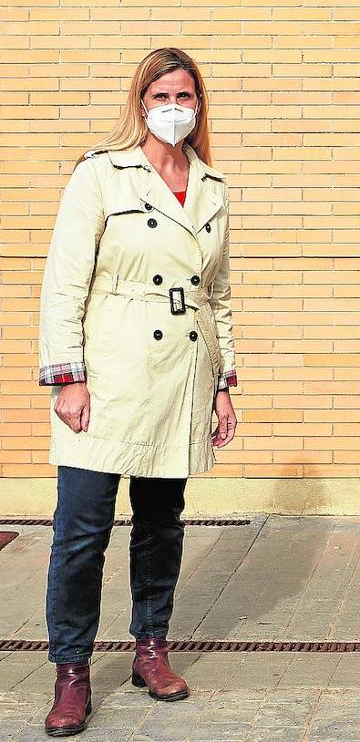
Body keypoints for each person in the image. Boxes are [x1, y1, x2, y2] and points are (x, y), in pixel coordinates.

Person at [37, 47, 239, 737]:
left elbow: (219, 295)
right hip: (108, 371)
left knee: (161, 527)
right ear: (141, 103)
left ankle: (150, 649)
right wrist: (68, 377)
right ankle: (71, 671)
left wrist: (223, 384)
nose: (174, 108)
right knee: (81, 533)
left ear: (199, 105)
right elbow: (64, 281)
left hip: (184, 370)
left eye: (186, 96)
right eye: (162, 97)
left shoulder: (212, 185)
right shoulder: (100, 174)